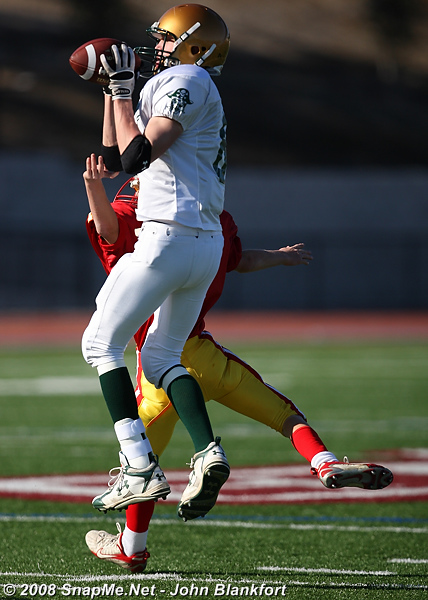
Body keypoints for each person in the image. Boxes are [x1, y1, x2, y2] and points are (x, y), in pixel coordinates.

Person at [82, 157, 393, 572]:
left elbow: (109, 229)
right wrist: (280, 257)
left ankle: (132, 545)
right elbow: (238, 258)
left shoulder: (144, 217)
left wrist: (93, 187)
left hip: (159, 366)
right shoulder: (212, 218)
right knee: (282, 413)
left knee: (141, 462)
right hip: (204, 354)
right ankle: (324, 461)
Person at [81, 4, 233, 519]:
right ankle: (207, 452)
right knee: (162, 357)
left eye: (167, 39)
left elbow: (137, 157)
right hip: (202, 244)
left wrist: (125, 89)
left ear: (195, 47)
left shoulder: (189, 79)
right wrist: (113, 89)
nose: (158, 47)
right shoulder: (174, 83)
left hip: (167, 236)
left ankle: (138, 466)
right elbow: (114, 155)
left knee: (99, 344)